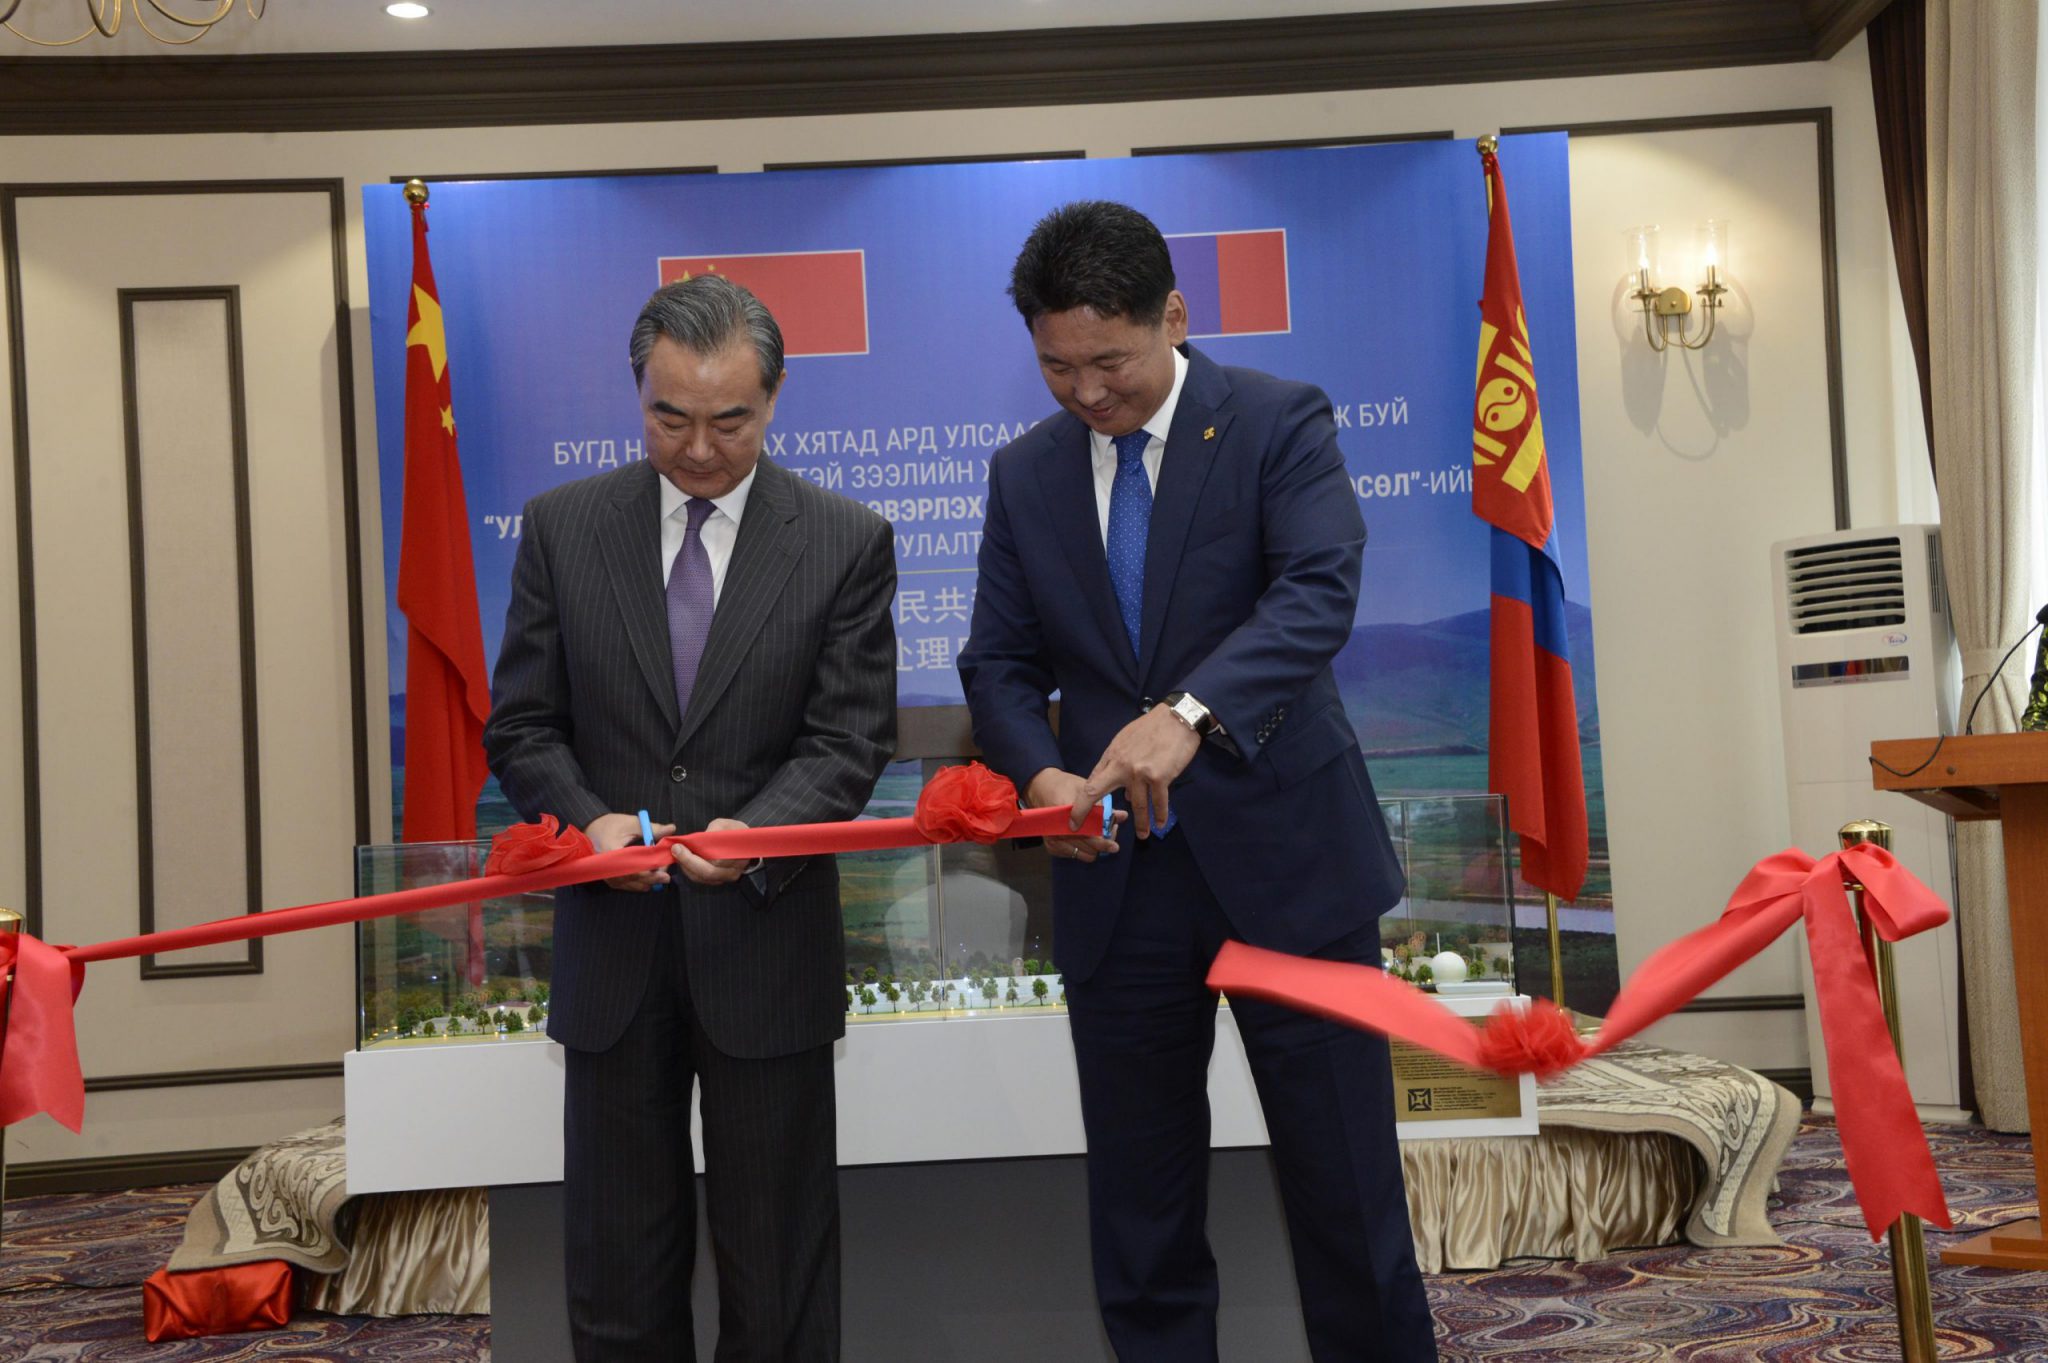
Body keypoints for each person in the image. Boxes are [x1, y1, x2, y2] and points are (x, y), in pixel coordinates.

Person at [959, 201, 1437, 1363]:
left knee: (1346, 1201)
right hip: (1119, 887)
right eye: (1057, 367)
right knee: (1142, 1223)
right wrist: (1043, 775)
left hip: (1290, 872)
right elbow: (997, 662)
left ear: (1171, 316)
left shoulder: (1275, 421)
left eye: (1108, 361)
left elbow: (1316, 591)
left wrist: (1187, 715)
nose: (1086, 392)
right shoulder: (1025, 473)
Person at [484, 274, 896, 1362]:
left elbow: (848, 741)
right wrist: (587, 824)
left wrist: (749, 836)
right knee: (618, 1277)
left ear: (775, 399)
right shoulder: (565, 529)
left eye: (730, 421)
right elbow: (523, 726)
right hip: (614, 958)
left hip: (765, 950)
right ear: (637, 394)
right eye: (670, 419)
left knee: (779, 1282)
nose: (701, 449)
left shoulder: (844, 539)